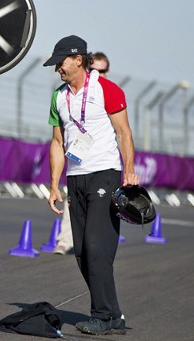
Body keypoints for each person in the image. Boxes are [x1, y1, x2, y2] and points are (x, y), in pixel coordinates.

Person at [44, 35, 139, 335]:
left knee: (98, 247)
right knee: (83, 252)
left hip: (105, 173)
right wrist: (54, 185)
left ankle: (101, 315)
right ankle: (114, 315)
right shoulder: (58, 97)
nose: (57, 67)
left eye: (61, 61)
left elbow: (124, 133)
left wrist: (129, 171)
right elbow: (58, 142)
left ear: (78, 60)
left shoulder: (106, 89)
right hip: (76, 177)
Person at [52, 51, 112, 255]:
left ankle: (96, 242)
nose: (98, 73)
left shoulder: (106, 93)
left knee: (100, 208)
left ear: (107, 71)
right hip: (77, 162)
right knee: (73, 206)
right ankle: (65, 240)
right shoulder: (68, 95)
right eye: (94, 69)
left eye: (102, 70)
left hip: (102, 164)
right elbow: (59, 137)